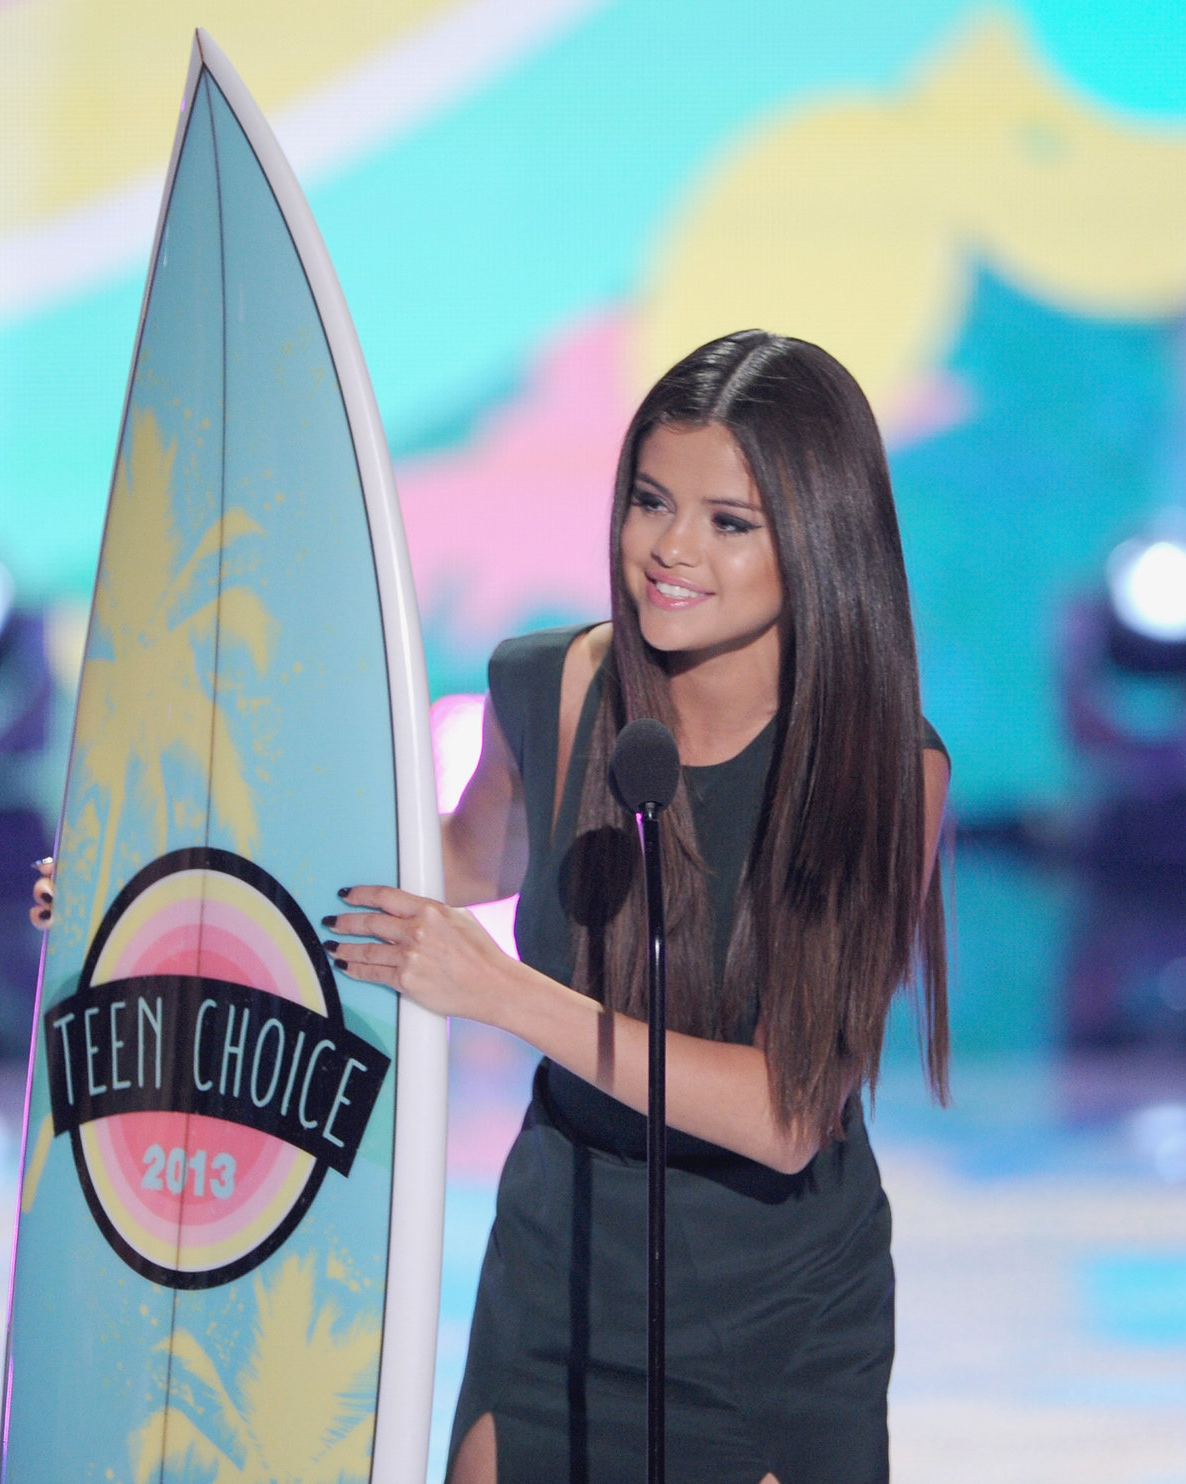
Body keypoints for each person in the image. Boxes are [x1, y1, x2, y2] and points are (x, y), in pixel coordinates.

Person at [322, 331, 952, 1483]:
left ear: (815, 539)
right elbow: (448, 861)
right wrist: (152, 873)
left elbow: (786, 1111)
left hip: (767, 1305)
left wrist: (509, 997)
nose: (670, 549)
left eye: (728, 521)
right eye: (652, 501)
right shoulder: (553, 686)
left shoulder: (881, 768)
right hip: (559, 1259)